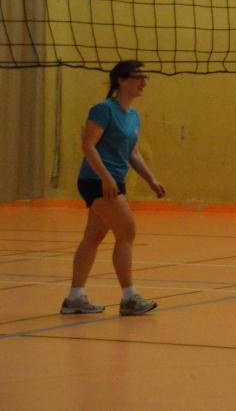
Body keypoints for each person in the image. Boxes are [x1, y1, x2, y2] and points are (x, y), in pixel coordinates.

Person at [62, 59, 166, 317]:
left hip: (112, 180)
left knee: (93, 237)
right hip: (96, 180)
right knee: (127, 230)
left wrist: (151, 179)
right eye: (138, 77)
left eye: (146, 78)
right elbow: (88, 145)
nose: (144, 82)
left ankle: (75, 297)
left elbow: (133, 153)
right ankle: (130, 298)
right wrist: (106, 178)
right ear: (121, 80)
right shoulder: (103, 109)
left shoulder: (133, 116)